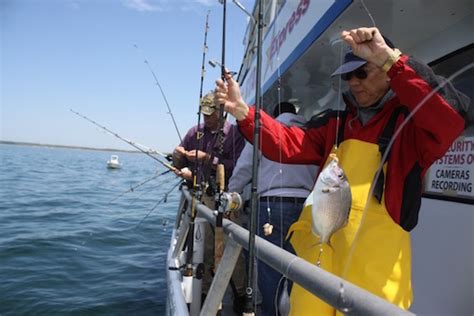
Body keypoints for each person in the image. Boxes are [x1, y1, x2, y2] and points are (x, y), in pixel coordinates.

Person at [215, 27, 470, 314]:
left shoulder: (411, 127)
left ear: (387, 71)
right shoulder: (335, 124)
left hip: (375, 268)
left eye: (362, 73)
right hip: (319, 259)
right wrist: (242, 112)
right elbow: (287, 142)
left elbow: (452, 118)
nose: (353, 83)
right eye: (348, 76)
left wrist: (393, 61)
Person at [228, 101, 319, 316]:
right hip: (307, 208)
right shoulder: (310, 133)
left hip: (270, 207)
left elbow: (243, 169)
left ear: (275, 115)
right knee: (300, 273)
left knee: (270, 274)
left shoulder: (265, 131)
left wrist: (231, 195)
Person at [172, 91, 247, 313]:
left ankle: (241, 293)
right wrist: (179, 156)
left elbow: (237, 166)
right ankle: (203, 294)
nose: (206, 118)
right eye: (203, 114)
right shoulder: (194, 132)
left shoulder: (234, 134)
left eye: (210, 114)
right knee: (202, 249)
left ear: (221, 112)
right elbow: (180, 159)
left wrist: (207, 159)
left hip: (226, 199)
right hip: (201, 198)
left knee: (230, 248)